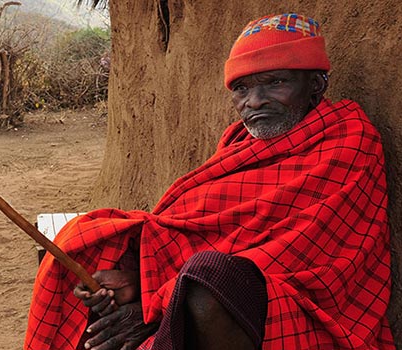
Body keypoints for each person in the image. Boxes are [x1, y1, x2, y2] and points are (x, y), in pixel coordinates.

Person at [24, 13, 394, 349]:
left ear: (316, 84)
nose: (254, 101)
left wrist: (155, 307)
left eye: (275, 82)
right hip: (200, 289)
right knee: (91, 240)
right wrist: (138, 281)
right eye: (242, 89)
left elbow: (295, 253)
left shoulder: (348, 140)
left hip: (299, 305)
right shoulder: (237, 143)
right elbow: (197, 230)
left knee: (207, 282)